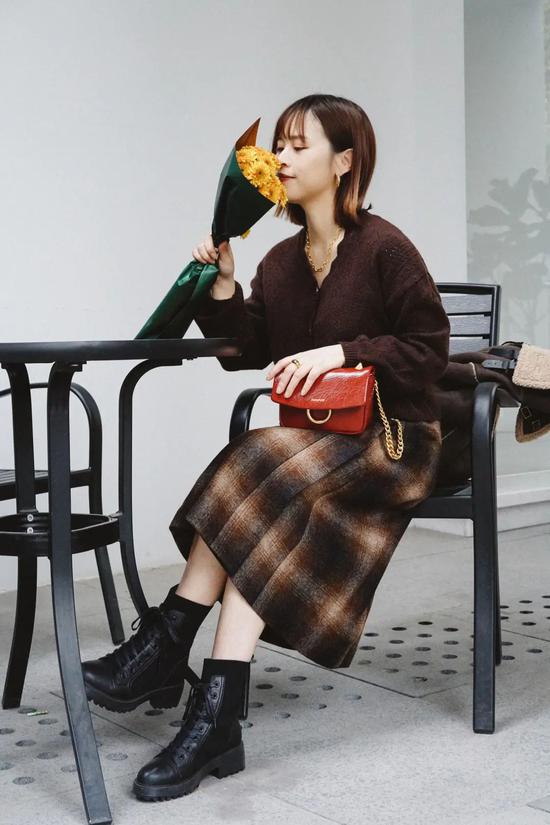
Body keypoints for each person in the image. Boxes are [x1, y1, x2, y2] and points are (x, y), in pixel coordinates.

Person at [82, 93, 450, 802]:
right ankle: (215, 710)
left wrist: (345, 351)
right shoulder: (280, 261)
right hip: (310, 444)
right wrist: (223, 287)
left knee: (260, 460)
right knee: (264, 476)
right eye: (279, 144)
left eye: (298, 146)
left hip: (393, 441)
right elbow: (247, 349)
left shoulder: (385, 247)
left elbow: (430, 349)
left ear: (344, 163)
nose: (280, 158)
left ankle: (168, 644)